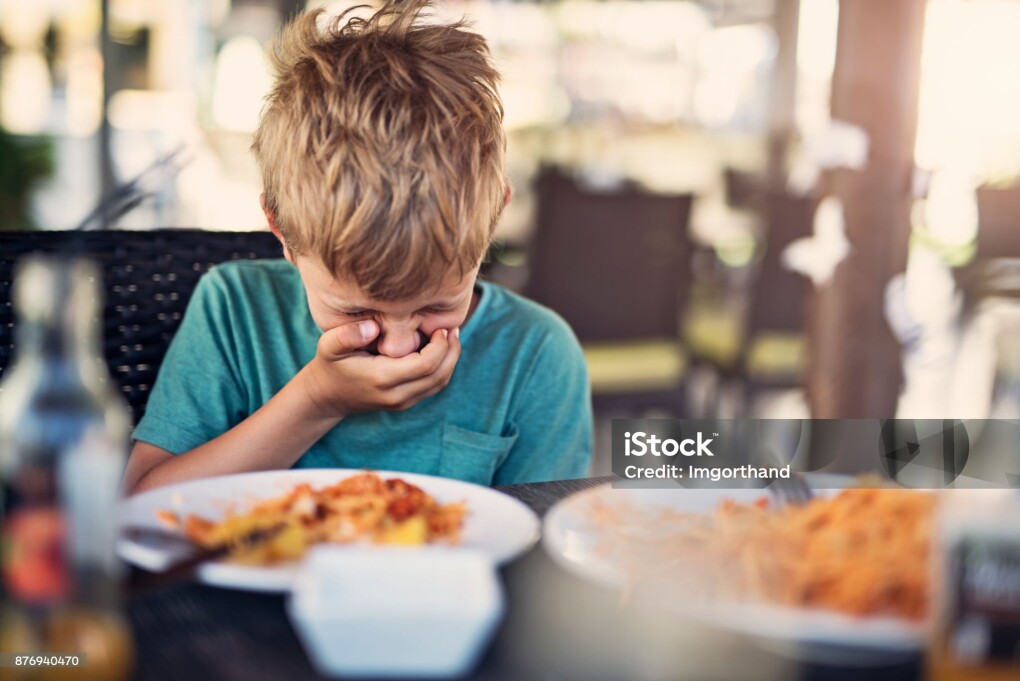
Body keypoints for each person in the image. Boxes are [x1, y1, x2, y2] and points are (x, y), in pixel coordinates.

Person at [123, 0, 592, 494]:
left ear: (493, 218)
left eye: (436, 305)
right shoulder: (234, 311)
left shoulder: (535, 355)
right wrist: (318, 399)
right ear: (281, 230)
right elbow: (141, 501)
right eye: (356, 312)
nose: (397, 347)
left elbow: (542, 538)